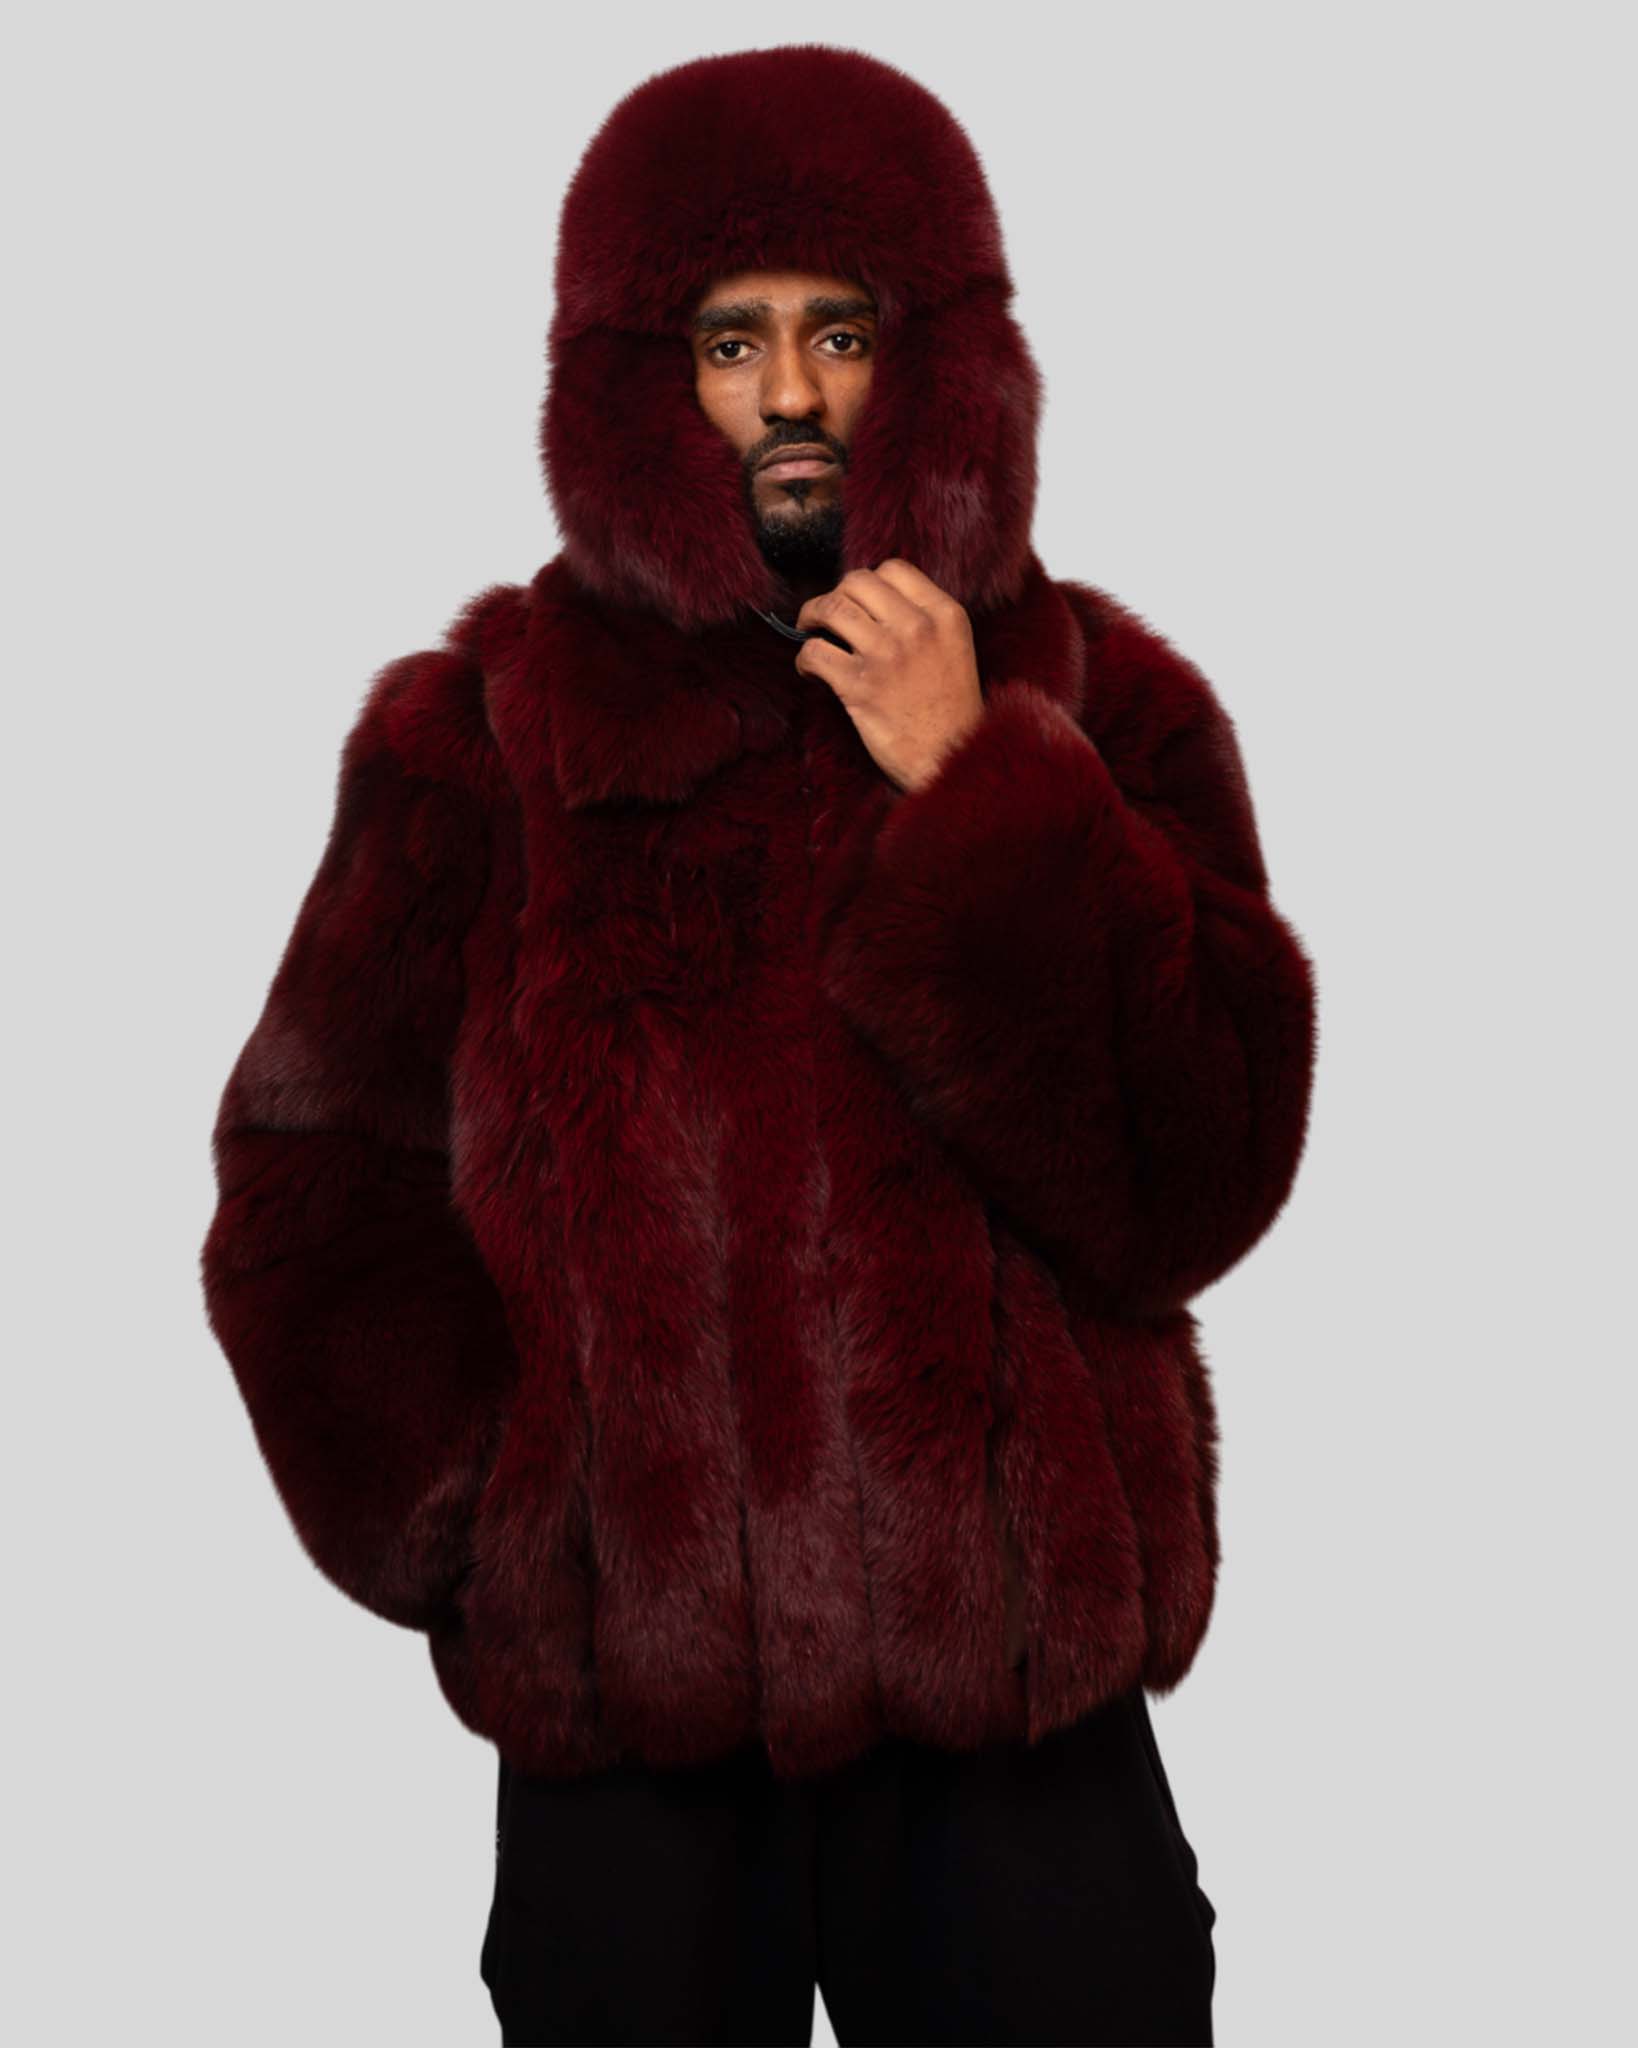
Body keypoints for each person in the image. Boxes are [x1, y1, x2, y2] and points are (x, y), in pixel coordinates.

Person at [199, 42, 1317, 2048]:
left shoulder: (1103, 709)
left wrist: (984, 785)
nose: (791, 393)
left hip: (1017, 1722)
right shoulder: (479, 741)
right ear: (638, 382)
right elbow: (313, 1176)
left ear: (941, 365)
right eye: (731, 340)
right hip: (631, 1736)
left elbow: (1200, 1178)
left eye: (842, 331)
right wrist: (493, 1525)